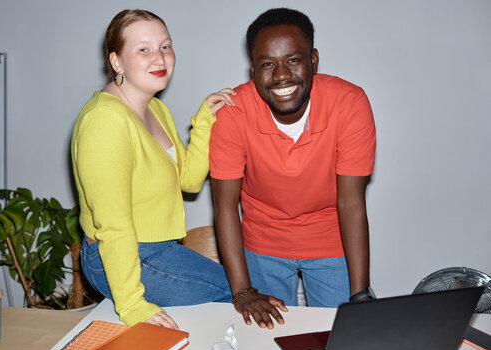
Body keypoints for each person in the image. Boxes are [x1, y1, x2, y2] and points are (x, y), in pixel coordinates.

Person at [210, 8, 376, 329]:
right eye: (268, 64)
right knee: (267, 341)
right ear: (253, 69)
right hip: (262, 241)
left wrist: (359, 294)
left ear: (313, 61)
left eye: (293, 60)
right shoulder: (232, 113)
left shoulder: (350, 103)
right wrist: (243, 291)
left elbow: (351, 201)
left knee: (346, 336)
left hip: (331, 238)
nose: (282, 75)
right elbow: (226, 207)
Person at [71, 9, 235, 329]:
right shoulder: (104, 121)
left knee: (240, 289)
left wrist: (203, 123)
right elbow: (113, 226)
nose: (159, 58)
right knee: (241, 290)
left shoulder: (157, 108)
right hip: (122, 255)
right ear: (117, 62)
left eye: (165, 46)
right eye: (143, 49)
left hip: (157, 251)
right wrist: (132, 304)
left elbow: (188, 181)